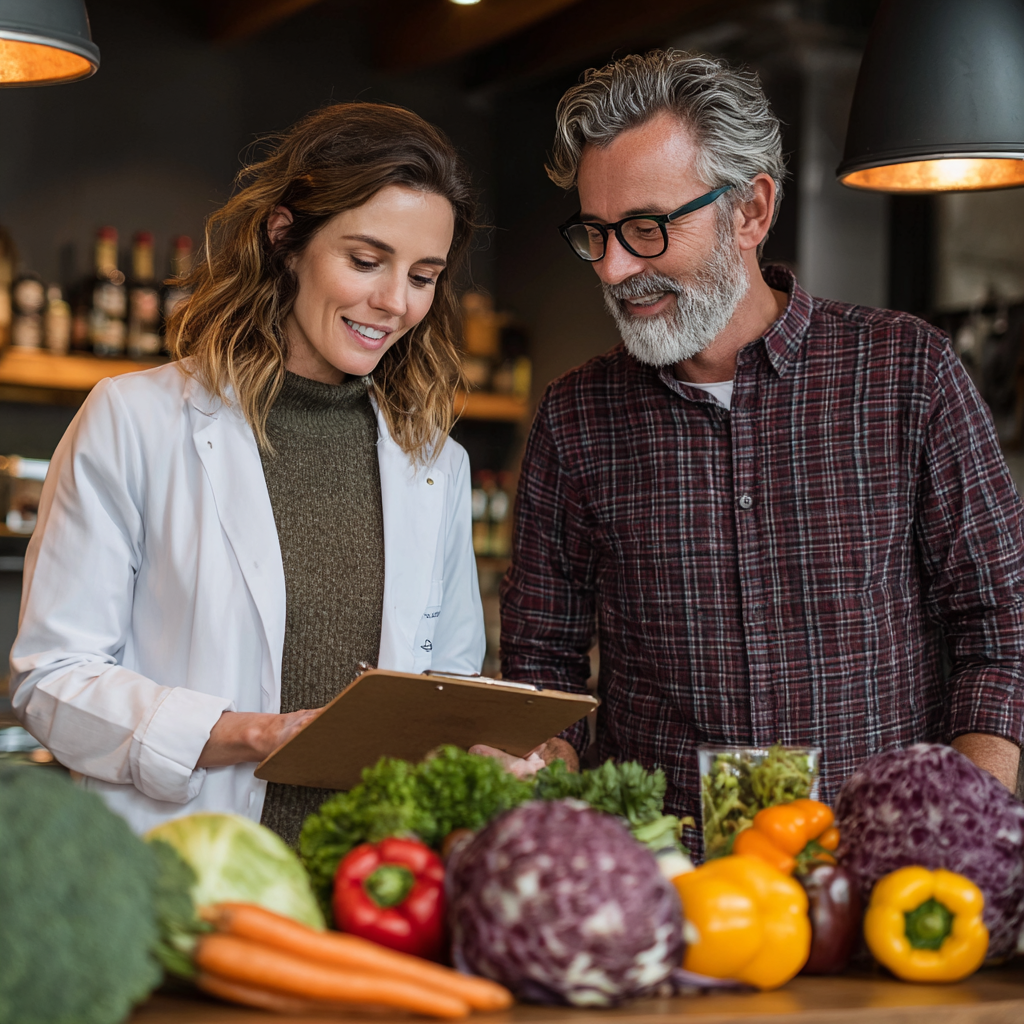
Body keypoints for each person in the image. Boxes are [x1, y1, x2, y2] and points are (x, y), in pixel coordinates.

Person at [491, 50, 1024, 840]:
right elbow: (543, 663)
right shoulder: (576, 417)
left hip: (878, 865)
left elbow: (1001, 625)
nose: (614, 267)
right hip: (664, 879)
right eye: (595, 234)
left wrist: (964, 826)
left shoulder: (908, 372)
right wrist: (546, 766)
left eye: (646, 228)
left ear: (751, 211)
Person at [10, 103, 485, 842]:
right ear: (285, 237)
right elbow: (52, 679)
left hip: (371, 878)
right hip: (187, 867)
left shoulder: (435, 463)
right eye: (366, 261)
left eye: (423, 276)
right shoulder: (135, 420)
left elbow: (447, 687)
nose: (395, 302)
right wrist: (254, 734)